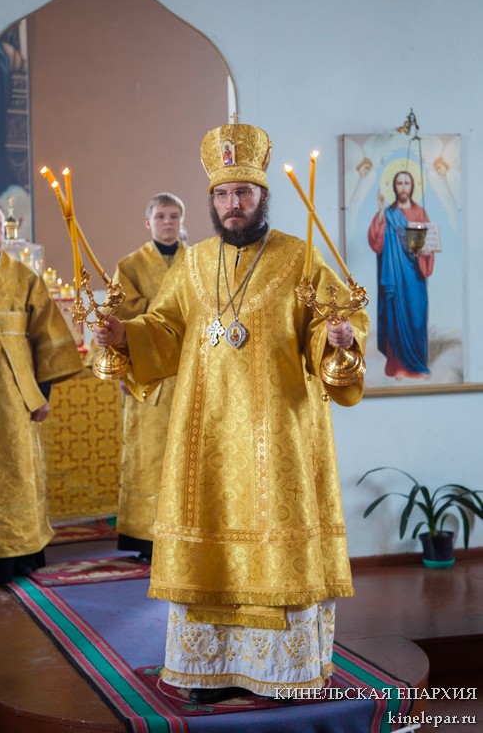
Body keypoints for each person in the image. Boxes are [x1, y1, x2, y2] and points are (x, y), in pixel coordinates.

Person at [93, 123, 368, 702]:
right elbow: (165, 329)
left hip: (280, 437)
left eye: (242, 191)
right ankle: (209, 670)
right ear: (211, 201)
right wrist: (123, 333)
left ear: (262, 195)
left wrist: (339, 337)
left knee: (275, 544)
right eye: (221, 194)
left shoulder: (299, 257)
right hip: (208, 437)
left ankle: (281, 673)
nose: (232, 203)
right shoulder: (193, 263)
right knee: (211, 548)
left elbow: (330, 324)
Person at [0, 200, 82, 585]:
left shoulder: (24, 277)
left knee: (19, 468)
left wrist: (43, 393)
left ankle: (22, 552)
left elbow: (47, 337)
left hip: (18, 389)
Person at [113, 192, 186, 563]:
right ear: (148, 222)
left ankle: (188, 530)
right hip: (148, 374)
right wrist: (123, 368)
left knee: (189, 454)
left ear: (182, 220)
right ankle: (146, 536)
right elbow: (120, 320)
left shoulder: (198, 260)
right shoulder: (129, 266)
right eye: (160, 216)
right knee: (151, 455)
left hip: (189, 371)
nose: (167, 222)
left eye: (174, 216)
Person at [368, 170, 434, 380]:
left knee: (416, 316)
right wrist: (381, 209)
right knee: (395, 318)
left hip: (415, 277)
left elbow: (429, 243)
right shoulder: (388, 213)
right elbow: (376, 242)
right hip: (394, 277)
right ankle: (397, 367)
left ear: (412, 186)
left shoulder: (420, 213)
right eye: (399, 183)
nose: (403, 187)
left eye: (407, 183)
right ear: (394, 187)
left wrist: (427, 251)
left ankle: (418, 366)